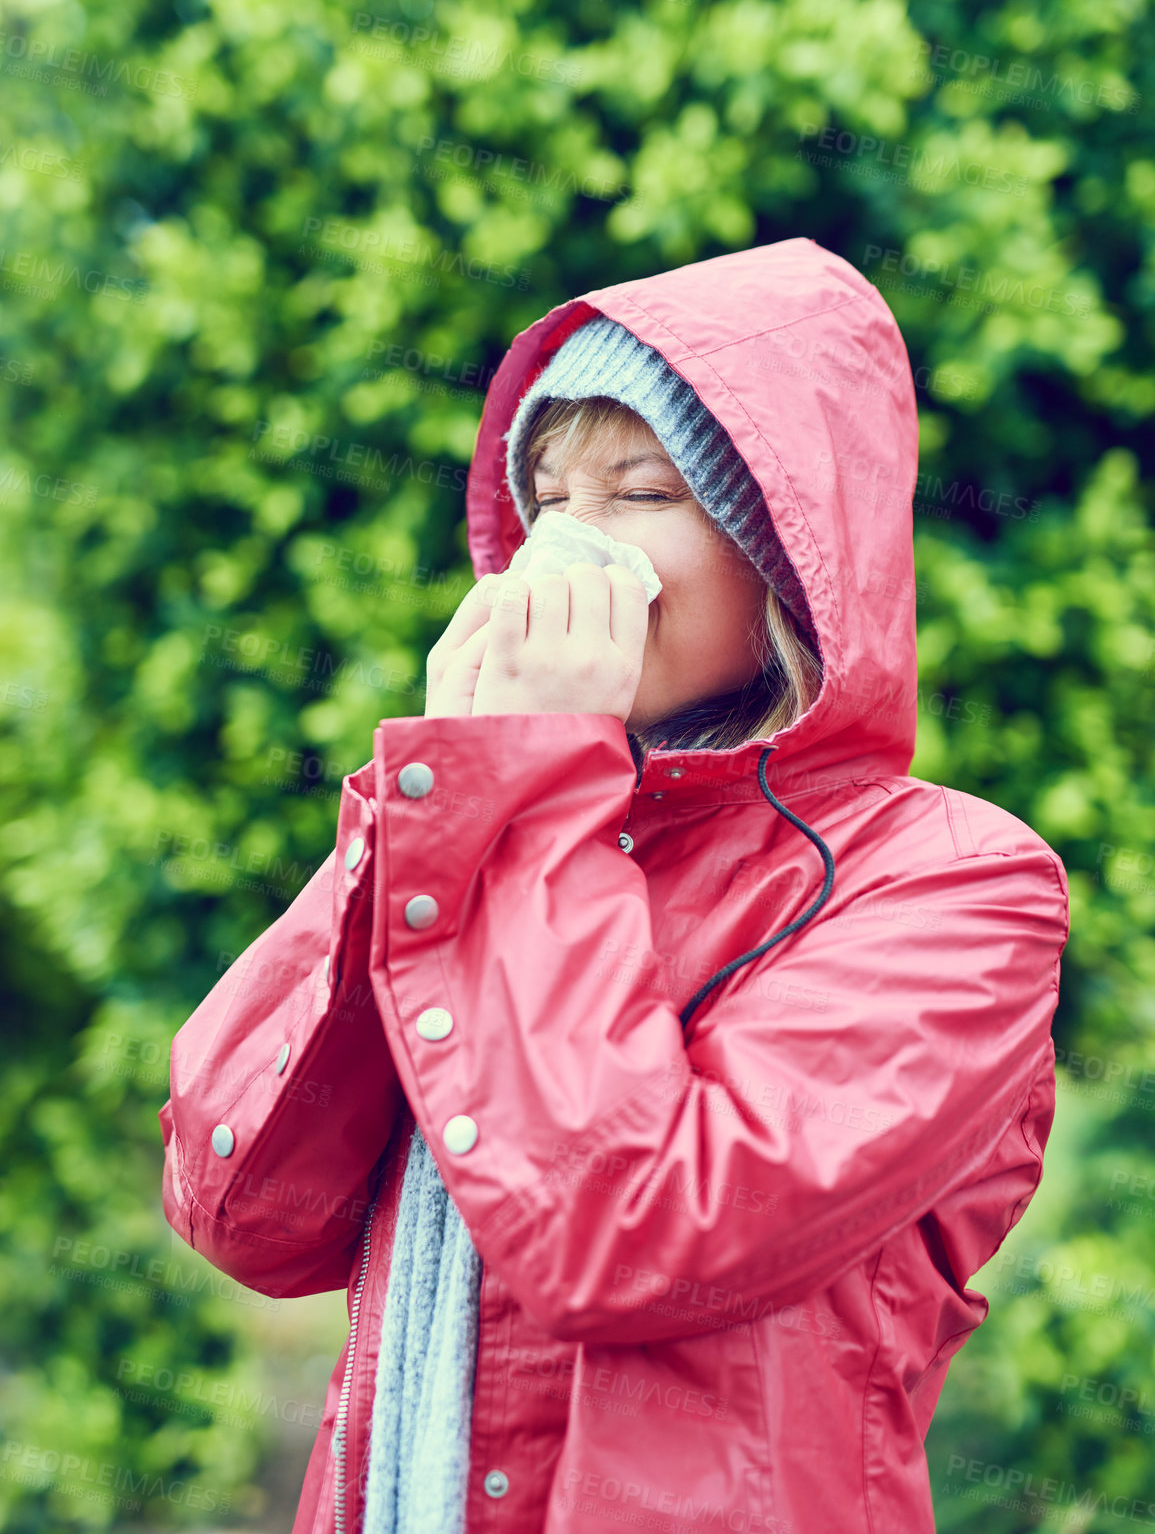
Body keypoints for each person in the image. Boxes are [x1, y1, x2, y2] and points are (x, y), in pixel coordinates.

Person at [159, 236, 1069, 1534]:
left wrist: (528, 807)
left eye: (643, 497)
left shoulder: (953, 888)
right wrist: (426, 818)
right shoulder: (495, 821)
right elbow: (244, 1209)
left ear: (789, 558)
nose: (570, 557)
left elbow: (633, 1231)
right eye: (549, 504)